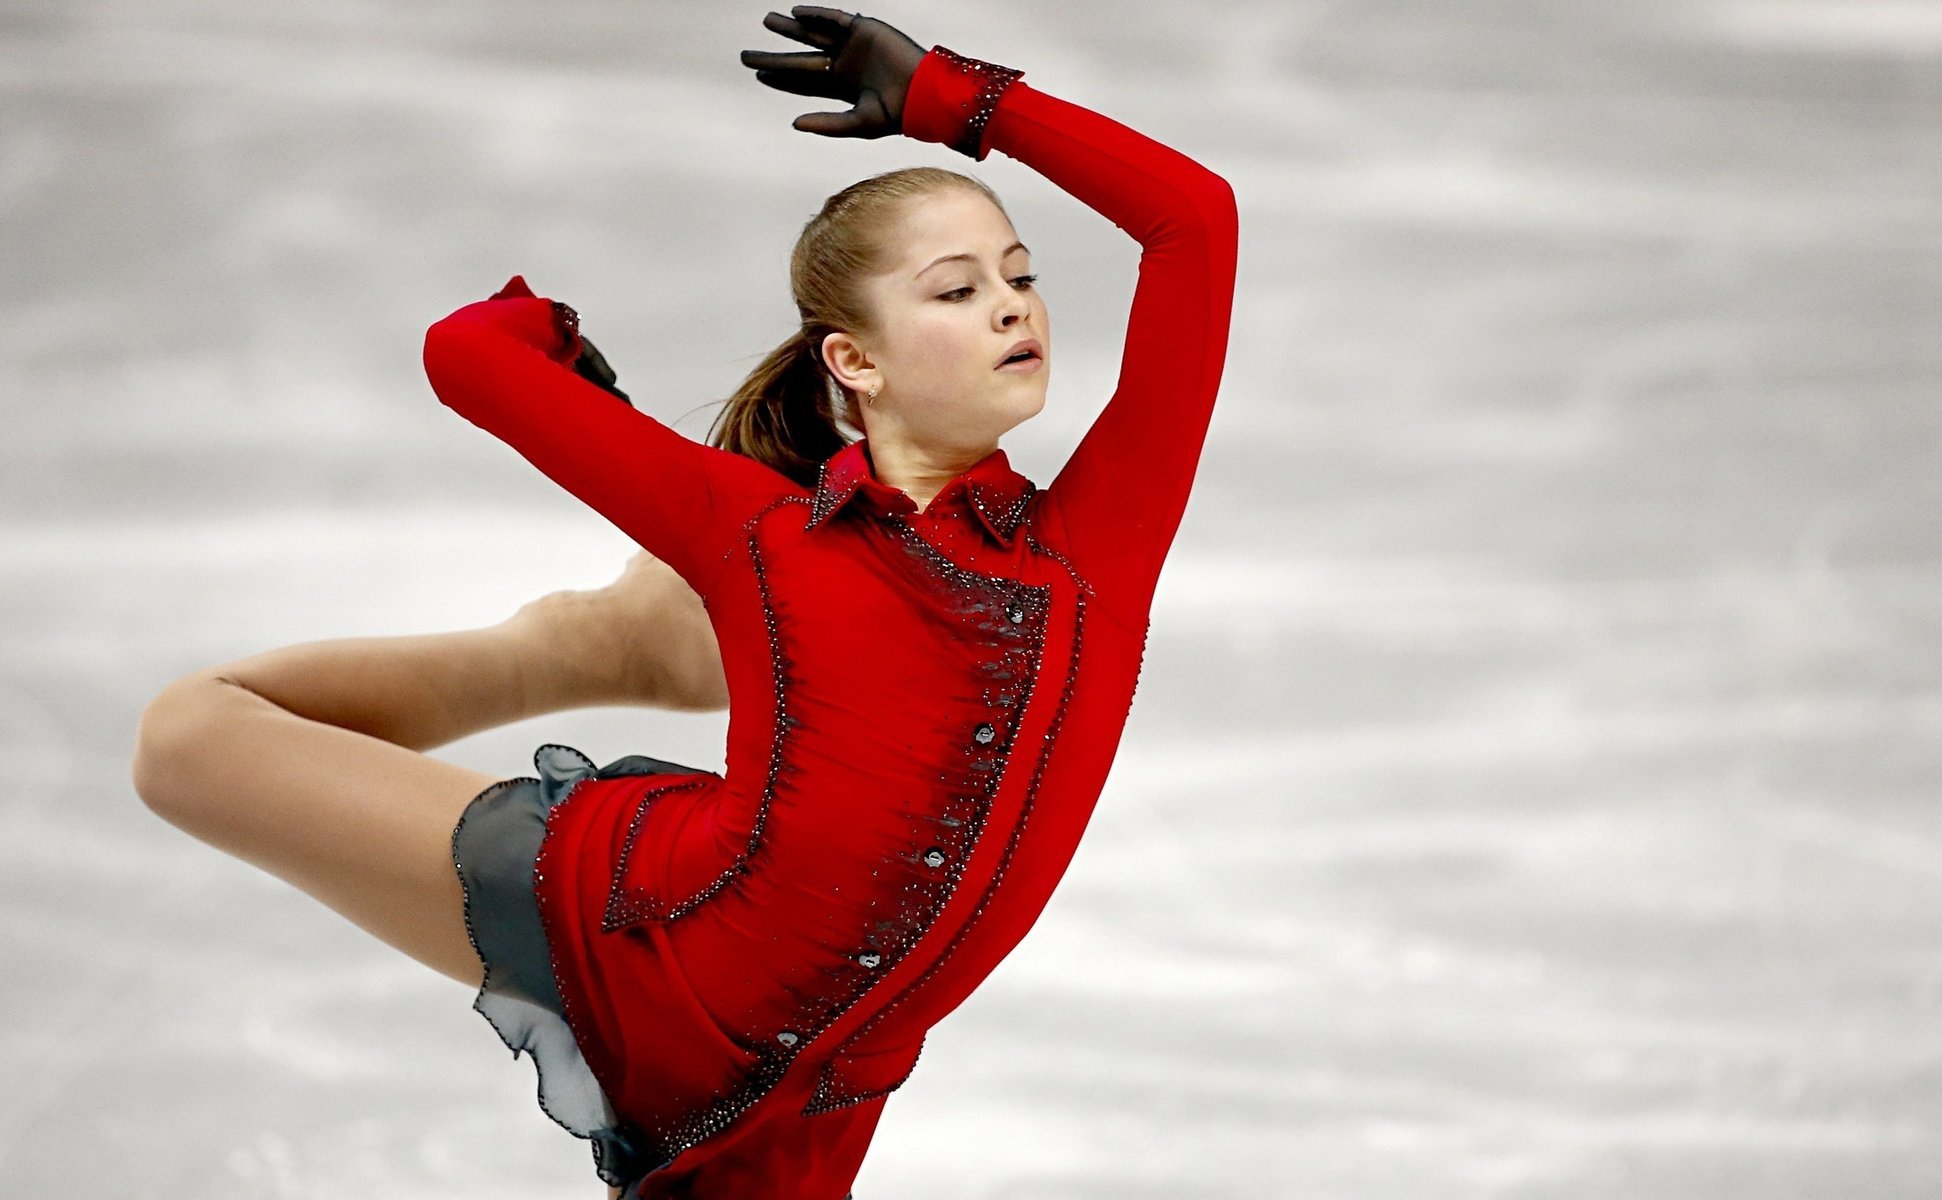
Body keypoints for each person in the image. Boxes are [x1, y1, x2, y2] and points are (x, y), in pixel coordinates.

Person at [132, 7, 1238, 1198]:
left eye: (1020, 277)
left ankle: (624, 638)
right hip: (638, 942)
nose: (1014, 306)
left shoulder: (1089, 551)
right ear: (851, 362)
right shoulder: (762, 538)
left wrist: (960, 102)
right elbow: (464, 356)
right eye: (957, 291)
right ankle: (573, 650)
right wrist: (548, 340)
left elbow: (1195, 224)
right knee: (189, 738)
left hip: (813, 1084)